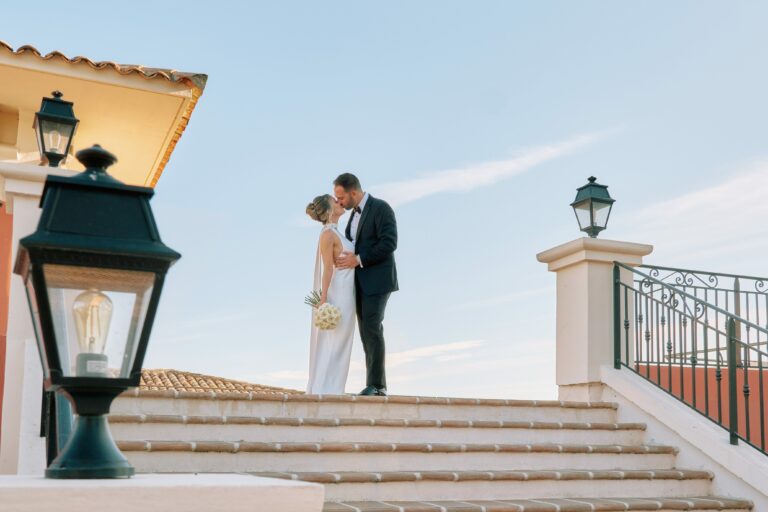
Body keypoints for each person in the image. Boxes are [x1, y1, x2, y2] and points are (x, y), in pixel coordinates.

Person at [334, 173, 398, 396]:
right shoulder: (352, 217)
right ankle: (375, 383)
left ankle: (378, 385)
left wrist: (358, 259)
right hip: (359, 283)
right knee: (365, 332)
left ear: (353, 192)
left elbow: (389, 243)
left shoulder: (381, 208)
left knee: (372, 327)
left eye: (341, 197)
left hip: (378, 281)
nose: (339, 202)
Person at [305, 194, 356, 395]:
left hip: (348, 290)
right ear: (328, 209)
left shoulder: (337, 233)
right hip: (339, 293)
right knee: (335, 340)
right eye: (335, 201)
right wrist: (323, 300)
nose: (340, 203)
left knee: (343, 340)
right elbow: (328, 269)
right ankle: (326, 389)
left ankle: (335, 387)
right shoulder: (327, 235)